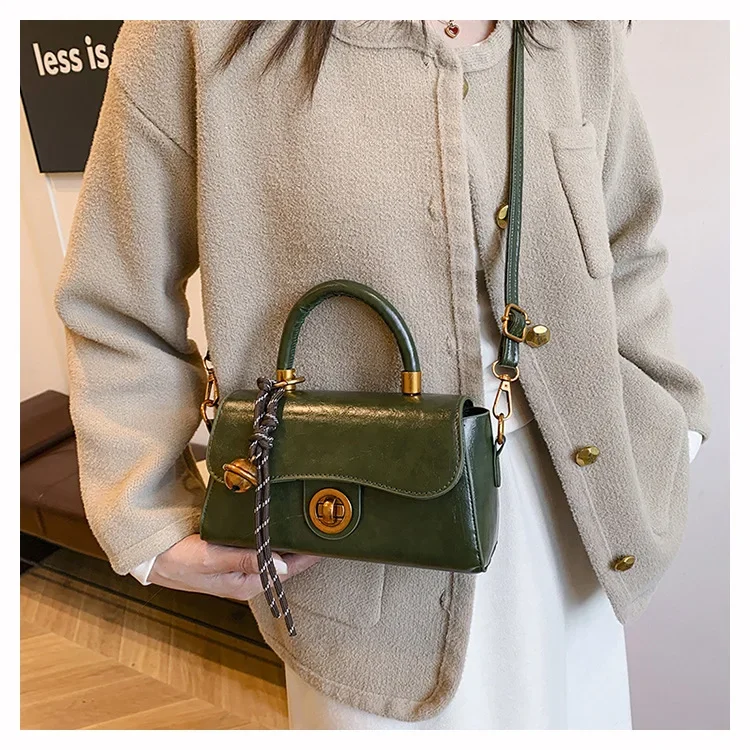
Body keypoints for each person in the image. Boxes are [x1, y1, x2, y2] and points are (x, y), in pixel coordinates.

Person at [53, 20, 710, 729]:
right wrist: (146, 512)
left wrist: (671, 422)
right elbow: (114, 297)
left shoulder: (574, 27)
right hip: (353, 550)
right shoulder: (197, 32)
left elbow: (626, 245)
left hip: (576, 523)